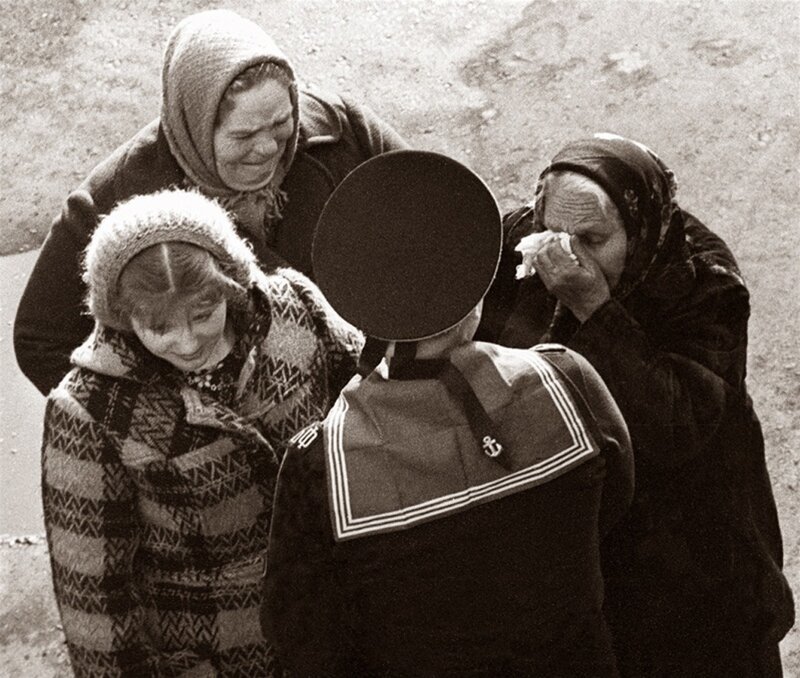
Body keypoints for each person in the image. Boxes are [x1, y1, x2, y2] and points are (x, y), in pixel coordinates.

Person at [262, 150, 634, 676]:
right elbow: (615, 503)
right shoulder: (569, 381)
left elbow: (301, 633)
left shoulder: (321, 463)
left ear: (360, 307)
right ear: (476, 295)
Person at [476, 133, 795, 677]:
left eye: (593, 239)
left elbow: (678, 425)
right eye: (552, 231)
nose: (565, 255)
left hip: (692, 545)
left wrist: (593, 308)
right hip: (583, 534)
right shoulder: (519, 243)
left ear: (637, 228)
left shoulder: (702, 282)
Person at [40, 189, 362, 676]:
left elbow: (378, 403)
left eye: (204, 314)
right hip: (218, 660)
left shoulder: (294, 308)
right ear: (122, 316)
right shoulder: (87, 411)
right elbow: (94, 600)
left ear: (230, 282)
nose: (188, 342)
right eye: (159, 327)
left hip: (344, 623)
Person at [15, 8, 406, 396]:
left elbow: (436, 219)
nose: (268, 147)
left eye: (280, 123)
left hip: (375, 387)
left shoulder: (345, 132)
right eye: (244, 135)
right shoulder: (115, 201)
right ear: (196, 125)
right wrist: (167, 414)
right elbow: (41, 341)